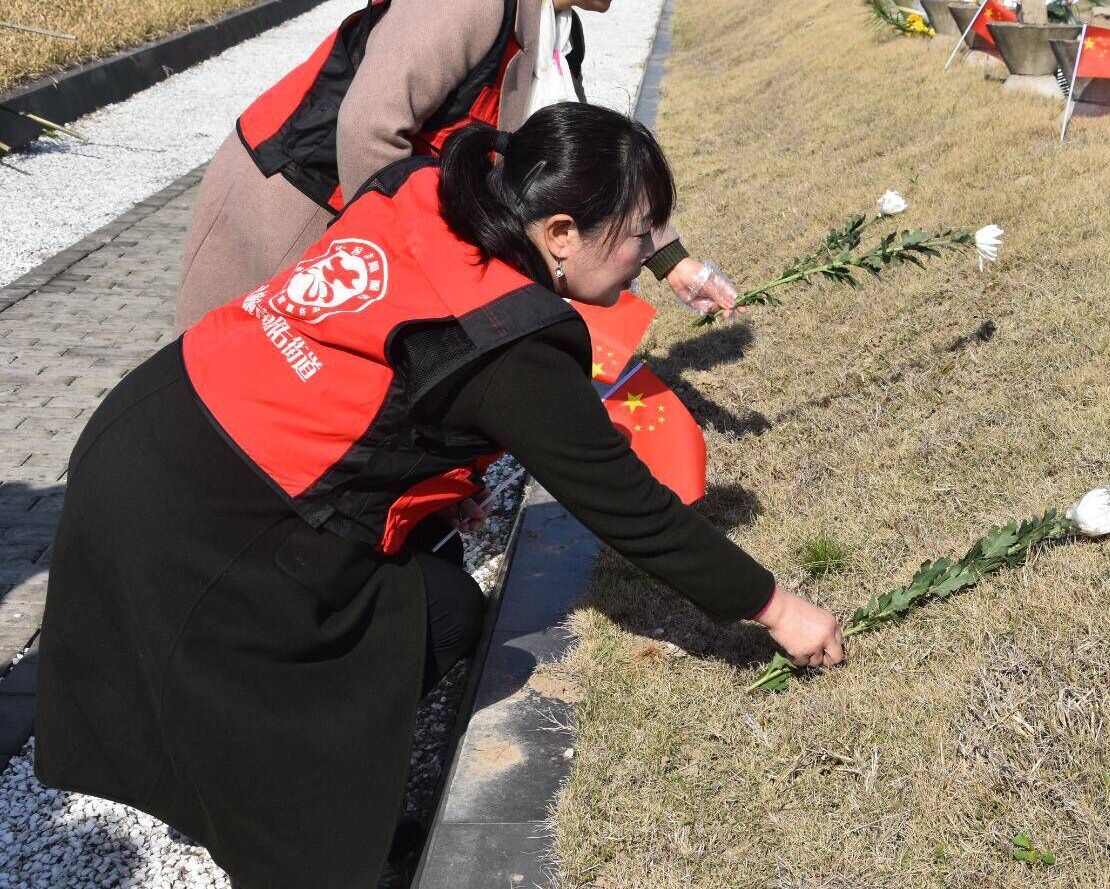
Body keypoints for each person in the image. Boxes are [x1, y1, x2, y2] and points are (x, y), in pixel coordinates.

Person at [35, 102, 843, 889]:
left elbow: (377, 365)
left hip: (158, 416)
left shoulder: (436, 189)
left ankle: (315, 790)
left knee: (445, 608)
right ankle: (288, 822)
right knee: (273, 687)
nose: (644, 258)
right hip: (211, 511)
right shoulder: (511, 343)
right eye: (638, 236)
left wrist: (430, 483)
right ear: (561, 234)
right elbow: (631, 507)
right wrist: (777, 609)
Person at [173, 0, 737, 331]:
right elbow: (368, 128)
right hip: (299, 210)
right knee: (238, 392)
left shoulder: (559, 28)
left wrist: (672, 261)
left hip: (364, 221)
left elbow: (581, 167)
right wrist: (426, 266)